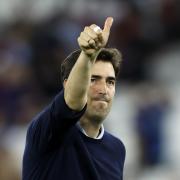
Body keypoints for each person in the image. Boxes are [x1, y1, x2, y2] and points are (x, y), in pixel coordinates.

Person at [22, 17, 126, 180]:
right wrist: (87, 55)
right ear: (67, 85)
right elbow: (73, 102)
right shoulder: (48, 132)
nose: (103, 89)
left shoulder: (116, 149)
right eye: (93, 79)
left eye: (110, 81)